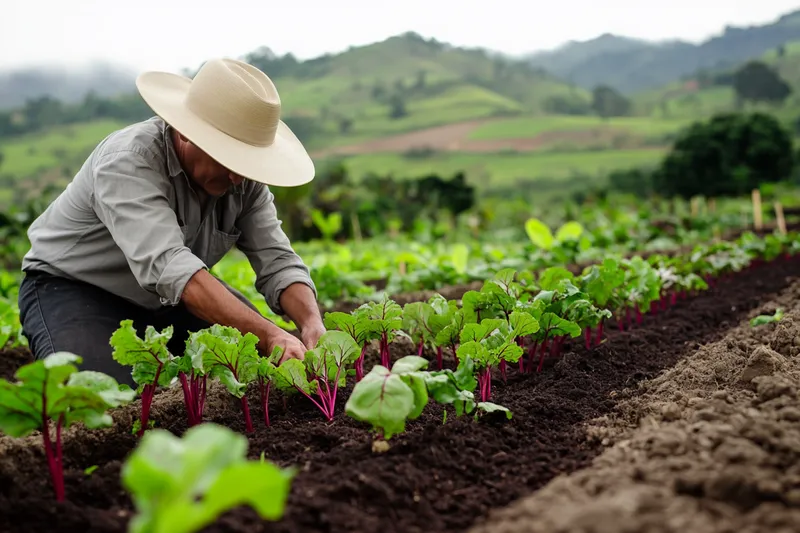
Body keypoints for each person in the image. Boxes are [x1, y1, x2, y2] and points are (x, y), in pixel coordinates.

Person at [16, 57, 326, 386]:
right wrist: (271, 333)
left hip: (169, 301)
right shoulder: (128, 162)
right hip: (73, 288)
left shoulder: (243, 181)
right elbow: (172, 269)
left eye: (246, 161)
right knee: (107, 400)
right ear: (185, 132)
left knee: (257, 370)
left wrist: (310, 323)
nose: (237, 175)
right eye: (228, 156)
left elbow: (277, 259)